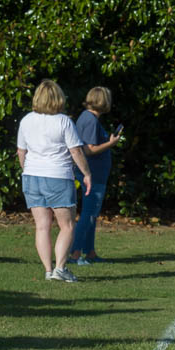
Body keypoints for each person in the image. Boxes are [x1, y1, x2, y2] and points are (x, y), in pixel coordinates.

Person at [16, 79, 92, 282]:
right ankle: (60, 268)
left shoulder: (26, 120)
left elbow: (21, 151)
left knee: (42, 226)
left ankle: (48, 270)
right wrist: (86, 173)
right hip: (57, 176)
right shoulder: (63, 121)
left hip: (32, 176)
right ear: (58, 99)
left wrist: (28, 170)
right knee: (67, 225)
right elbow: (75, 150)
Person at [69, 86, 123, 265]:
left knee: (92, 214)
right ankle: (75, 253)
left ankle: (89, 252)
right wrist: (111, 144)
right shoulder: (91, 120)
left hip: (94, 173)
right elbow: (89, 150)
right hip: (92, 174)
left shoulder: (88, 118)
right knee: (89, 213)